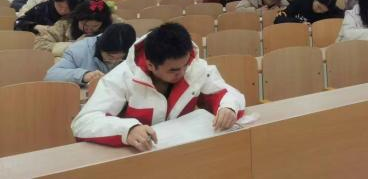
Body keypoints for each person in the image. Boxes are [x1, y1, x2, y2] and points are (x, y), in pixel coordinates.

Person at [71, 22, 245, 150]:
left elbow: (226, 93)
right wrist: (128, 130)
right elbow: (84, 122)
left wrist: (228, 107)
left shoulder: (194, 66)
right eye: (173, 70)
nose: (183, 72)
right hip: (137, 157)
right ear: (151, 65)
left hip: (184, 150)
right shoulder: (122, 77)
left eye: (185, 64)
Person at [45, 23, 137, 85]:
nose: (114, 61)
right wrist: (84, 75)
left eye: (120, 58)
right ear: (99, 47)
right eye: (110, 56)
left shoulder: (138, 48)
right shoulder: (79, 50)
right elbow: (51, 76)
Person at [34, 0, 112, 56]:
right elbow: (40, 45)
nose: (89, 29)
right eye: (85, 25)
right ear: (77, 19)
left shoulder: (111, 28)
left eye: (95, 26)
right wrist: (73, 46)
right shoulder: (64, 25)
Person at [15, 0, 82, 33]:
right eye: (60, 6)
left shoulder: (80, 10)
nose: (63, 11)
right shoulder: (43, 8)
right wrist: (35, 26)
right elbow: (18, 22)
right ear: (54, 0)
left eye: (68, 8)